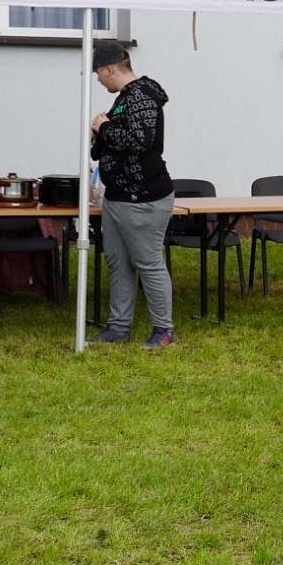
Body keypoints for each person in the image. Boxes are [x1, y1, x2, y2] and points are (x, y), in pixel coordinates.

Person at [87, 41, 176, 347]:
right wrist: (100, 132)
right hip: (117, 197)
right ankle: (118, 327)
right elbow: (110, 141)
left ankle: (164, 331)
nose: (98, 79)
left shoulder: (143, 95)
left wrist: (106, 127)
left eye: (98, 72)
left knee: (148, 262)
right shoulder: (124, 98)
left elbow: (140, 141)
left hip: (144, 197)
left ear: (110, 68)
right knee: (118, 261)